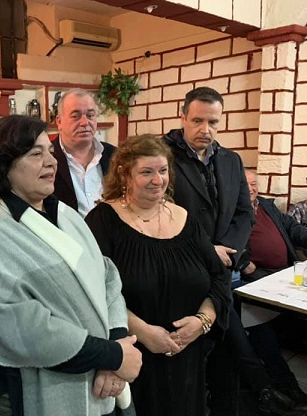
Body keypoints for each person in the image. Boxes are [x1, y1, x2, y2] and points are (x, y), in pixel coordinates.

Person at [0, 115, 142, 416]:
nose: (51, 161)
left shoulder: (65, 215)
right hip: (34, 388)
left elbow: (107, 277)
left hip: (101, 377)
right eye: (36, 154)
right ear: (2, 165)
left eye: (50, 151)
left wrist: (115, 341)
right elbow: (23, 326)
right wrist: (112, 355)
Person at [163, 86, 298, 416]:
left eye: (213, 122)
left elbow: (243, 214)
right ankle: (266, 390)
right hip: (182, 267)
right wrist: (208, 251)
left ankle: (247, 397)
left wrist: (232, 254)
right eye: (197, 120)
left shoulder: (231, 160)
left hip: (225, 267)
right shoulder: (163, 156)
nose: (205, 129)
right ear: (183, 117)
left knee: (225, 351)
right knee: (199, 349)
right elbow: (160, 213)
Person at [85, 134, 231, 416]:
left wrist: (202, 322)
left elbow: (219, 277)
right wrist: (143, 332)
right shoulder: (102, 220)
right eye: (146, 172)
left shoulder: (184, 217)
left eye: (163, 170)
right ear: (124, 174)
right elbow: (95, 292)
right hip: (133, 357)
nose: (158, 180)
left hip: (187, 355)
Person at [234, 169, 307, 409]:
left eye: (254, 184)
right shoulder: (232, 210)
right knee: (259, 323)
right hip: (256, 279)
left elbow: (293, 228)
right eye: (246, 184)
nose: (251, 188)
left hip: (284, 273)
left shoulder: (266, 205)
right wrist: (244, 264)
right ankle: (285, 385)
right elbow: (225, 242)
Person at [52, 88, 116, 216]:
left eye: (90, 115)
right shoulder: (46, 158)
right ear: (59, 121)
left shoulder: (114, 155)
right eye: (75, 116)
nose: (84, 122)